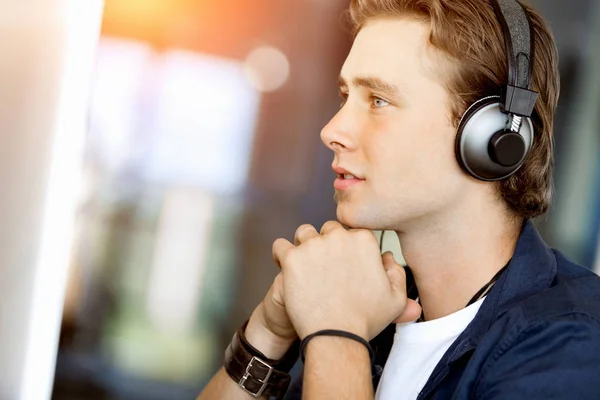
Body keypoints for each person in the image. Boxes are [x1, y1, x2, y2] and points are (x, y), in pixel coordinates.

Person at [198, 0, 600, 398]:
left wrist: (337, 330)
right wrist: (268, 335)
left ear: (493, 138)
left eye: (378, 101)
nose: (333, 130)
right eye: (344, 97)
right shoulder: (377, 315)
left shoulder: (571, 346)